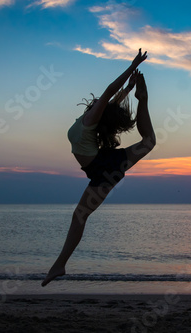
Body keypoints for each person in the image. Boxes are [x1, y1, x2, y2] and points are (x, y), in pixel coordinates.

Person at [42, 49, 155, 287]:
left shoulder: (91, 119)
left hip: (104, 169)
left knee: (79, 216)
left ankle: (59, 265)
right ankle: (59, 265)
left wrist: (131, 66)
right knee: (148, 142)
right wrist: (129, 89)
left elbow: (108, 92)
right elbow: (112, 99)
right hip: (100, 167)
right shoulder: (92, 118)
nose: (100, 103)